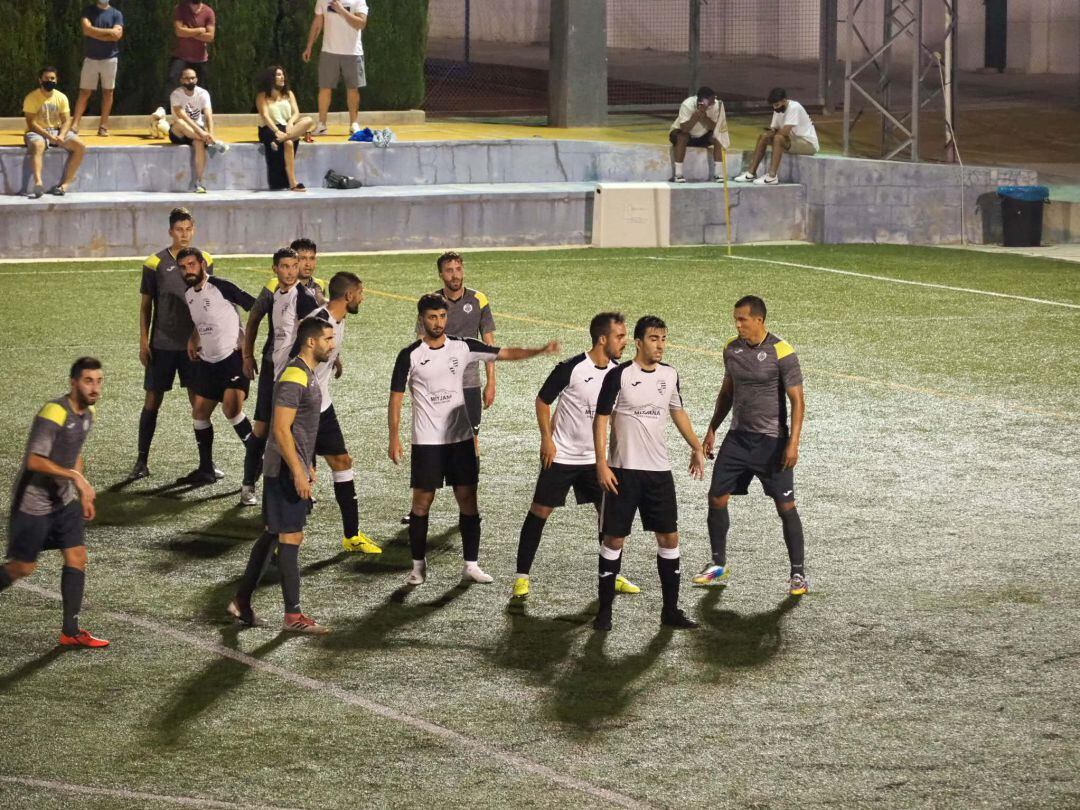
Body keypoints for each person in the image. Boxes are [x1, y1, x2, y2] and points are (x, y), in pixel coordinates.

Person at [389, 294, 559, 587]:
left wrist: (539, 350)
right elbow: (396, 399)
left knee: (468, 499)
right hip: (427, 441)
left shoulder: (463, 346)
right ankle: (418, 566)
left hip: (461, 439)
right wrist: (394, 436)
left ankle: (471, 564)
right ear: (422, 319)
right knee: (421, 502)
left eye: (442, 316)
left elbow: (503, 352)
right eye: (432, 317)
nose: (438, 322)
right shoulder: (410, 355)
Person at [512, 312, 642, 600]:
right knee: (539, 512)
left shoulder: (619, 372)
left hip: (596, 460)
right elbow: (543, 400)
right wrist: (547, 440)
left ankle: (613, 574)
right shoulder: (571, 368)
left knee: (608, 516)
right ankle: (521, 577)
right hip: (561, 456)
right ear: (602, 339)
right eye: (619, 336)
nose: (624, 342)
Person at [592, 316, 704, 632]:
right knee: (614, 539)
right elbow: (601, 420)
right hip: (623, 472)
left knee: (669, 537)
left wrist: (695, 445)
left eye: (664, 338)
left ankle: (670, 611)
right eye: (654, 338)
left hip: (659, 473)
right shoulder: (619, 376)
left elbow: (676, 409)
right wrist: (601, 463)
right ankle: (604, 613)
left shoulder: (670, 375)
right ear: (639, 342)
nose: (660, 345)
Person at [694, 295, 808, 596]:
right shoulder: (731, 349)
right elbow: (727, 392)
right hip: (738, 438)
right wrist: (712, 429)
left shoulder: (782, 351)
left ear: (759, 319)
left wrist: (793, 443)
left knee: (786, 507)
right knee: (716, 497)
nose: (738, 324)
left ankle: (798, 574)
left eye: (742, 319)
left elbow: (797, 401)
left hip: (771, 442)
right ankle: (718, 563)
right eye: (735, 319)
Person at [228, 319, 336, 634]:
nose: (332, 344)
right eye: (328, 339)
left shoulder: (305, 373)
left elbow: (301, 429)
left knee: (274, 532)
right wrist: (299, 470)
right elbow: (280, 429)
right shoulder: (295, 376)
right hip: (285, 470)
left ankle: (241, 601)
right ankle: (293, 616)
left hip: (291, 466)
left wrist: (309, 461)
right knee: (290, 535)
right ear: (311, 342)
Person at [0, 358, 108, 648]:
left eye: (99, 380)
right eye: (88, 380)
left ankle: (70, 632)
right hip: (33, 504)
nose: (95, 387)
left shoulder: (88, 414)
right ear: (73, 383)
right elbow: (34, 461)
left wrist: (81, 488)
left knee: (77, 557)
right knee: (22, 568)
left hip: (63, 502)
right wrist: (75, 477)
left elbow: (74, 452)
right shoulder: (54, 412)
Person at [400, 251, 496, 525]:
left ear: (463, 270)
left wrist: (491, 382)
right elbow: (419, 345)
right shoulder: (432, 304)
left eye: (457, 269)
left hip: (468, 386)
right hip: (435, 388)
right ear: (441, 274)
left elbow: (488, 344)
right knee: (429, 442)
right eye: (448, 270)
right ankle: (418, 506)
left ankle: (468, 506)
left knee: (470, 442)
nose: (454, 274)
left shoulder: (479, 299)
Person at [132, 208, 216, 481]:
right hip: (162, 345)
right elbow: (146, 306)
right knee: (152, 401)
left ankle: (206, 465)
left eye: (188, 229)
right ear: (170, 231)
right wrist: (144, 341)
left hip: (194, 347)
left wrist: (203, 337)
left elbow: (209, 301)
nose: (184, 234)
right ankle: (141, 461)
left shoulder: (205, 260)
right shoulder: (154, 264)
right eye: (178, 229)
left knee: (199, 404)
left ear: (194, 229)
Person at [302, 272, 380, 554]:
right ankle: (278, 539)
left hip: (323, 405)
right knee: (301, 476)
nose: (362, 297)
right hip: (304, 410)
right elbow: (295, 362)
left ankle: (351, 536)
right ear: (348, 296)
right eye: (360, 292)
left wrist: (335, 358)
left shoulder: (337, 320)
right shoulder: (318, 323)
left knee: (342, 462)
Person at [240, 248, 321, 505]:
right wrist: (248, 355)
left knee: (299, 432)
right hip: (270, 372)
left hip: (293, 377)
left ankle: (305, 487)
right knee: (261, 430)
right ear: (275, 269)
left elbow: (316, 334)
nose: (289, 271)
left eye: (292, 266)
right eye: (284, 266)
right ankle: (248, 484)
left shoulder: (305, 297)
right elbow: (256, 321)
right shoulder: (275, 294)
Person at [180, 248, 257, 485]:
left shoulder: (221, 286)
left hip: (233, 359)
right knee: (200, 414)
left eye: (191, 265)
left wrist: (247, 342)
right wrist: (194, 338)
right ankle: (206, 469)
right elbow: (201, 321)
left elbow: (255, 306)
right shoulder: (189, 295)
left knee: (231, 410)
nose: (188, 271)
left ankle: (258, 458)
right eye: (183, 267)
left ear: (202, 264)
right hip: (209, 362)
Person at [303, 0, 369, 136]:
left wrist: (341, 10)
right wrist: (309, 46)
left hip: (353, 52)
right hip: (329, 51)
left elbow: (361, 24)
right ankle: (321, 124)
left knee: (353, 89)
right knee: (324, 88)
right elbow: (317, 22)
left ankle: (354, 124)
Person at [23, 67, 86, 199]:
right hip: (38, 131)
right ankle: (38, 183)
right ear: (40, 80)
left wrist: (61, 135)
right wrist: (49, 137)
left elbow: (67, 120)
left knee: (80, 146)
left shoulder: (61, 97)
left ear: (56, 80)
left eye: (52, 78)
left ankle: (64, 185)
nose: (49, 81)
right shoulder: (31, 97)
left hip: (57, 131)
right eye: (46, 78)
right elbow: (31, 123)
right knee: (37, 145)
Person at [734, 87, 819, 185]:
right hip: (792, 140)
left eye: (777, 105)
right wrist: (768, 134)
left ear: (784, 101)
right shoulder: (778, 110)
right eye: (773, 105)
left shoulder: (794, 107)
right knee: (764, 136)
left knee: (778, 138)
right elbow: (774, 129)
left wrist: (774, 133)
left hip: (808, 143)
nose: (775, 108)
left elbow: (785, 132)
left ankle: (772, 176)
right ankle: (750, 173)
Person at [256, 65, 314, 192]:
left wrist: (290, 123)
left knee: (308, 120)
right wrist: (276, 132)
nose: (282, 77)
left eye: (282, 75)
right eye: (278, 75)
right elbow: (265, 116)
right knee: (288, 143)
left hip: (287, 127)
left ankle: (279, 140)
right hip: (269, 128)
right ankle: (293, 183)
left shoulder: (289, 94)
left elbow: (296, 113)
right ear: (271, 78)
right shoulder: (262, 96)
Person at [71, 0, 124, 137]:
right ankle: (75, 125)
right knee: (84, 92)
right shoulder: (88, 11)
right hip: (91, 58)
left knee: (108, 92)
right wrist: (108, 34)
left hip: (110, 59)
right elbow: (86, 29)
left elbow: (117, 35)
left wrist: (95, 33)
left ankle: (103, 126)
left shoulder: (116, 14)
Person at [169, 68, 226, 194]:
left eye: (192, 78)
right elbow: (182, 115)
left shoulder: (203, 93)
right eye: (186, 78)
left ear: (196, 79)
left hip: (198, 132)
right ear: (181, 80)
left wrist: (210, 133)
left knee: (199, 144)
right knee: (179, 122)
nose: (190, 81)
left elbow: (208, 115)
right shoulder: (176, 94)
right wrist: (202, 133)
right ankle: (212, 143)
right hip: (180, 131)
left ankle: (199, 182)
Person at [669, 86, 730, 183]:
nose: (713, 102)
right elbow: (684, 129)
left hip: (703, 135)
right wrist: (697, 115)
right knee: (682, 137)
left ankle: (718, 174)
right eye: (711, 101)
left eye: (714, 99)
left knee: (718, 137)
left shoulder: (717, 105)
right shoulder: (687, 104)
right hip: (684, 134)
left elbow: (715, 128)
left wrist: (704, 117)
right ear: (702, 100)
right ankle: (678, 175)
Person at [170, 0, 215, 90]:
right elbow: (179, 32)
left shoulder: (208, 12)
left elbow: (210, 37)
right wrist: (200, 30)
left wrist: (188, 31)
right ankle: (167, 104)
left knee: (201, 91)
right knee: (171, 85)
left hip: (200, 59)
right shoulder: (180, 9)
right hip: (181, 57)